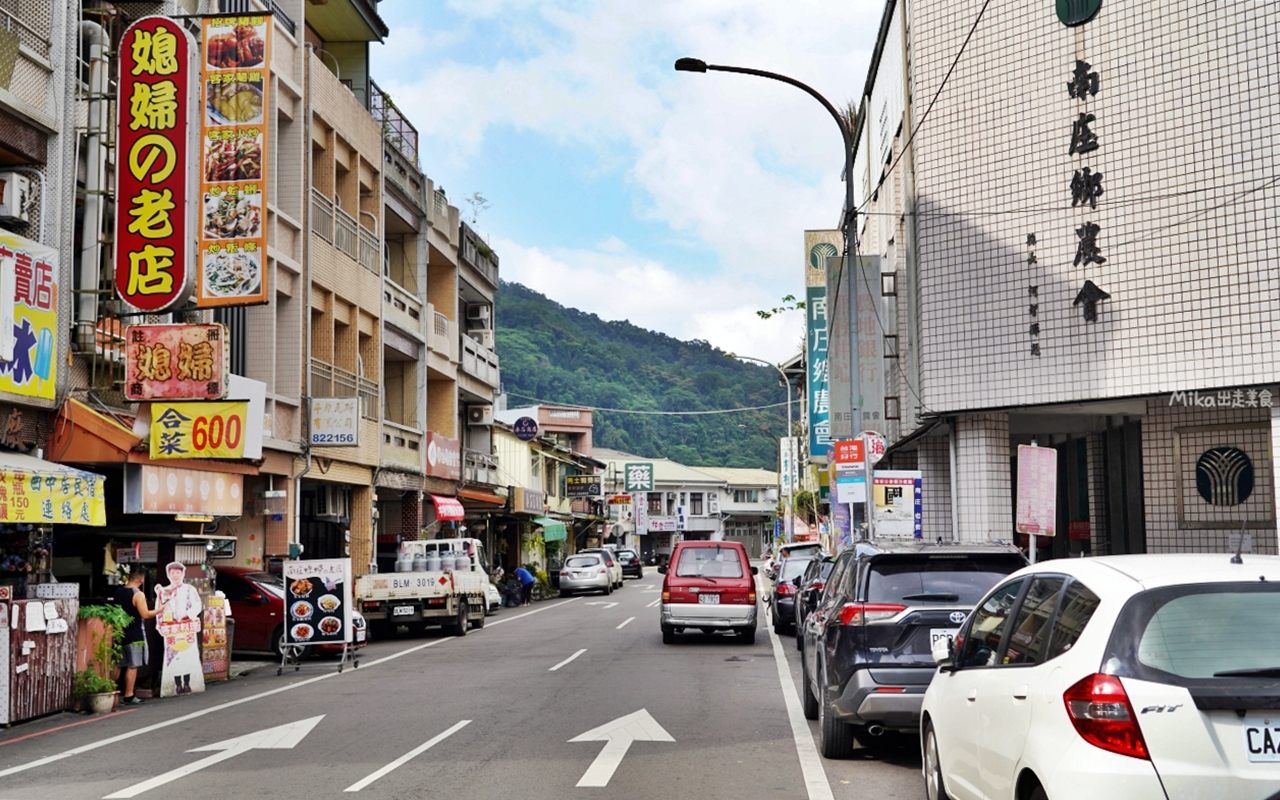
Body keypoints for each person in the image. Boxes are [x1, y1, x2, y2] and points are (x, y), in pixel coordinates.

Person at [155, 561, 204, 697]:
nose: (175, 576)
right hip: (172, 629)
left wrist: (187, 614)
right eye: (172, 573)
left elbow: (197, 605)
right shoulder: (163, 591)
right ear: (168, 575)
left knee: (188, 656)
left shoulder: (189, 589)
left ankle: (187, 683)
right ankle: (177, 685)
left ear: (183, 574)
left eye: (178, 573)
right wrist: (160, 624)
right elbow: (159, 608)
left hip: (186, 627)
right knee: (174, 657)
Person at [114, 564, 161, 705]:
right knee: (133, 665)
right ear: (142, 579)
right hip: (134, 634)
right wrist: (160, 609)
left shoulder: (119, 592)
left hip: (119, 632)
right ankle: (129, 695)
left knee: (117, 664)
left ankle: (111, 691)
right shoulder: (138, 594)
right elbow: (145, 614)